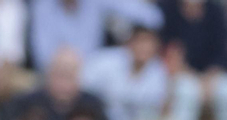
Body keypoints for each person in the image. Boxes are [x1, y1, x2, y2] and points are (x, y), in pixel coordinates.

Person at [83, 26, 189, 120]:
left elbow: (160, 116)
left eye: (149, 43)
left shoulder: (159, 73)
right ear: (129, 43)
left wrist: (172, 81)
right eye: (140, 42)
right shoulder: (106, 62)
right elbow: (82, 93)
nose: (143, 48)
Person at [28, 0, 162, 69]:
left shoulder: (96, 1)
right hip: (56, 72)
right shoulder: (42, 5)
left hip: (94, 74)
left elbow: (152, 16)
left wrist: (128, 36)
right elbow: (42, 56)